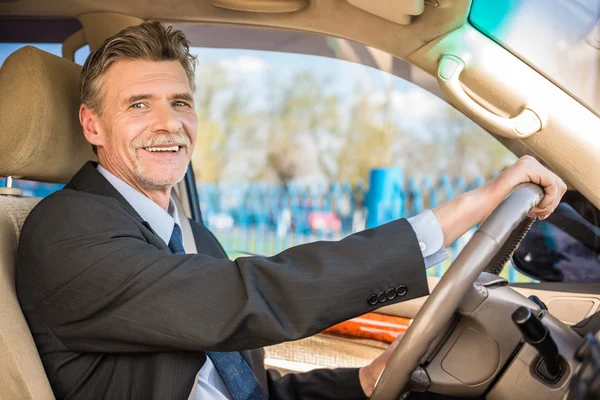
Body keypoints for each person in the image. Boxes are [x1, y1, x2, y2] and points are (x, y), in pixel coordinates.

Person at [16, 22, 566, 400]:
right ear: (92, 125)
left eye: (180, 103)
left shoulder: (192, 237)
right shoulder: (63, 232)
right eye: (139, 105)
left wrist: (362, 382)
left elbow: (246, 388)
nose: (169, 124)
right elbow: (253, 295)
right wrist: (470, 207)